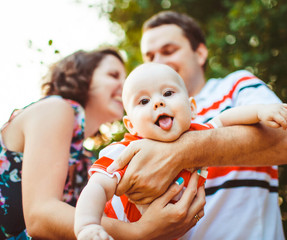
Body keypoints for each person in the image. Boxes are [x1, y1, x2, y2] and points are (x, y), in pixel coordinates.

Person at [105, 11, 287, 240]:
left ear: (200, 53)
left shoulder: (235, 86)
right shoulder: (144, 123)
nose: (158, 62)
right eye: (150, 56)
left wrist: (178, 152)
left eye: (168, 51)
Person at [74, 62, 287, 240]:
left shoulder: (198, 133)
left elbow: (227, 118)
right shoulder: (124, 152)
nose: (158, 103)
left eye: (168, 93)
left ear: (192, 108)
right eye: (143, 101)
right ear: (130, 124)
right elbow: (97, 187)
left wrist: (261, 111)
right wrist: (88, 225)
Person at [0, 48, 205, 240]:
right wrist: (139, 232)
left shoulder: (88, 159)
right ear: (83, 76)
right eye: (113, 75)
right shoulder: (56, 108)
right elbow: (39, 217)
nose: (124, 85)